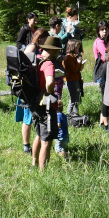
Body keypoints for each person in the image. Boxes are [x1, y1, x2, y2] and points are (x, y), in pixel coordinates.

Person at [32, 35, 64, 169]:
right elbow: (50, 81)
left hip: (34, 103)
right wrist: (50, 95)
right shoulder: (48, 63)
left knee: (39, 135)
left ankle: (34, 163)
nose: (58, 54)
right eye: (57, 51)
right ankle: (42, 172)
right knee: (47, 140)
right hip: (46, 106)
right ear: (52, 51)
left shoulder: (35, 59)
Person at [18, 27, 47, 154]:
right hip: (27, 87)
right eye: (45, 39)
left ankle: (30, 145)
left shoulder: (36, 48)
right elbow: (26, 65)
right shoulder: (31, 47)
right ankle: (26, 146)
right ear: (40, 38)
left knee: (29, 117)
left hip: (31, 86)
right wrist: (41, 59)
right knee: (28, 117)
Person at [93, 21, 109, 129]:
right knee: (106, 98)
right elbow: (106, 56)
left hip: (104, 71)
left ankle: (101, 122)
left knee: (105, 97)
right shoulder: (99, 42)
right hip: (103, 72)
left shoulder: (103, 41)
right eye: (102, 29)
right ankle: (106, 124)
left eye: (106, 29)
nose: (104, 31)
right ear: (98, 31)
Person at [62, 39, 85, 117]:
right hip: (71, 80)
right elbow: (74, 69)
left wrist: (80, 61)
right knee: (72, 99)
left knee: (76, 99)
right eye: (77, 47)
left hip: (76, 79)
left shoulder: (74, 57)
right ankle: (69, 115)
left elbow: (79, 69)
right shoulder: (68, 57)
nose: (78, 49)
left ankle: (76, 115)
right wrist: (78, 62)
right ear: (72, 47)